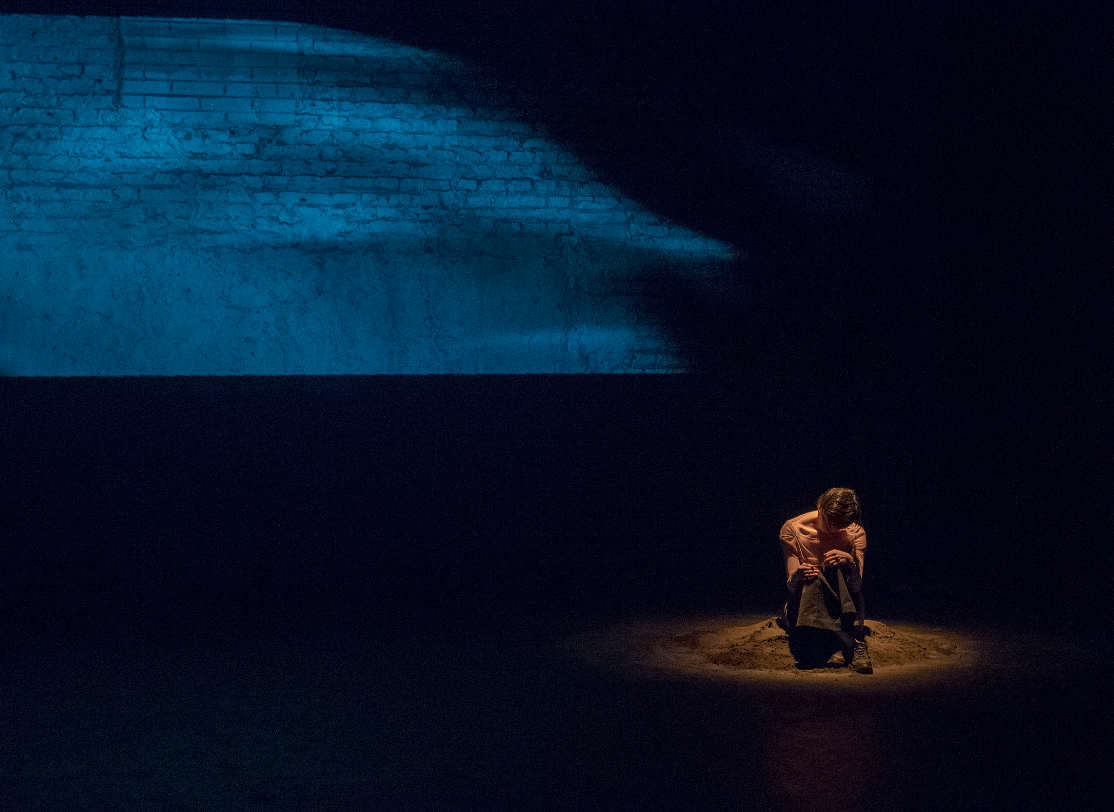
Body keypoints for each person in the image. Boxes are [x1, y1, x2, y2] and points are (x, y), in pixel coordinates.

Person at [778, 487, 873, 673]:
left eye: (842, 524)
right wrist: (798, 575)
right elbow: (791, 585)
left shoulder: (855, 532)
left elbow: (856, 586)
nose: (836, 528)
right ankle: (843, 640)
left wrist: (850, 562)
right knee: (814, 575)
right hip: (804, 604)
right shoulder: (793, 529)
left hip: (843, 607)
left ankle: (840, 639)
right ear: (820, 506)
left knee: (836, 569)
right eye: (831, 521)